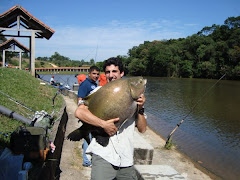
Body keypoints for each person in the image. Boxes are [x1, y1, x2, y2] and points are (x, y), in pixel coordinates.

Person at [75, 57, 147, 180]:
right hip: (103, 153)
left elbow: (142, 129)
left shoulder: (137, 98)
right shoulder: (98, 91)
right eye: (108, 72)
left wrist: (140, 108)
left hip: (126, 157)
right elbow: (79, 112)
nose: (111, 75)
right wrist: (103, 124)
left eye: (114, 71)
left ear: (122, 73)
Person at [77, 66, 100, 167]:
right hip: (87, 115)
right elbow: (80, 100)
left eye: (98, 74)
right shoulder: (85, 84)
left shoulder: (94, 84)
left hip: (94, 114)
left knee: (92, 136)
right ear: (89, 74)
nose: (96, 76)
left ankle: (91, 156)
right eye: (94, 74)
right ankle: (86, 161)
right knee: (88, 137)